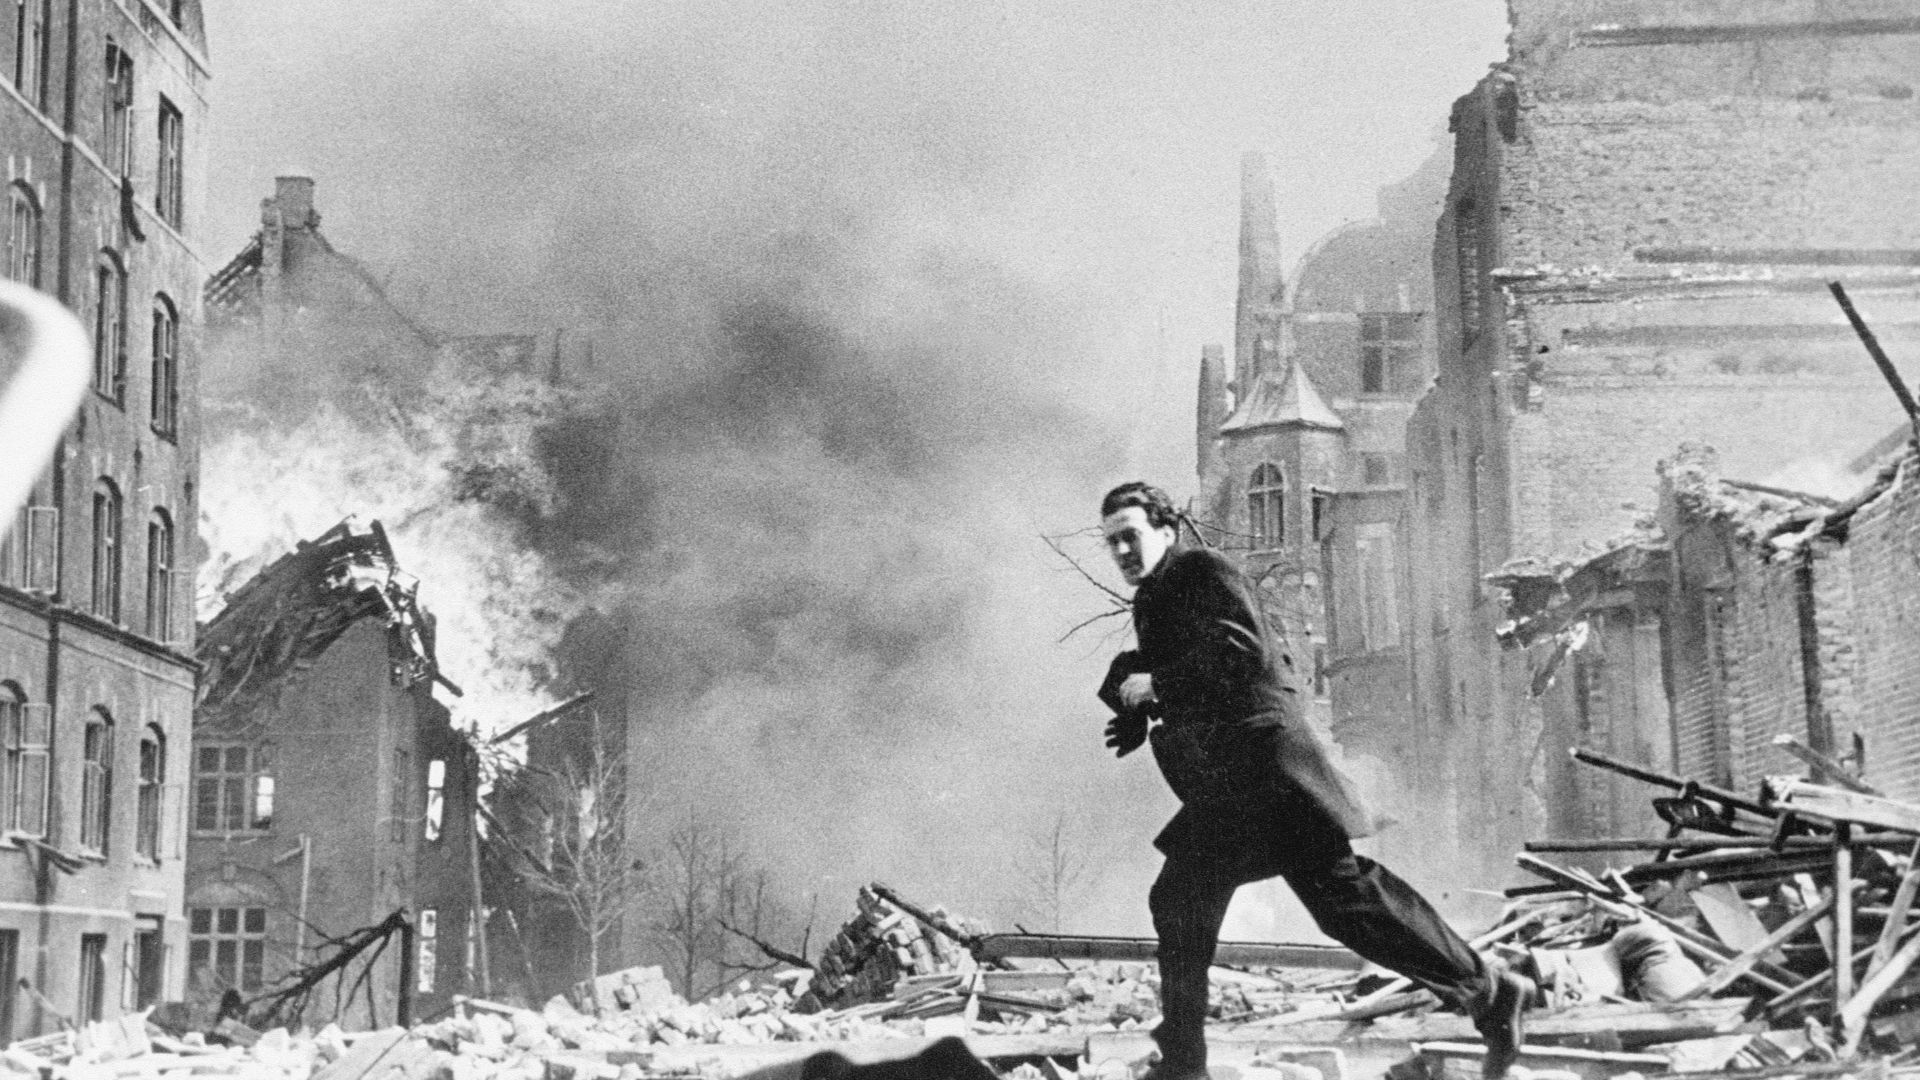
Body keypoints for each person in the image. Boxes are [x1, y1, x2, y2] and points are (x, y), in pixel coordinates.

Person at [1094, 481, 1531, 1080]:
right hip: (1236, 782)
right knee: (1212, 898)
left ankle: (1489, 989)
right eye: (1112, 542)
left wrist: (1160, 686)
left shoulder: (1201, 569)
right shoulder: (1158, 594)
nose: (1121, 551)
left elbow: (1241, 654)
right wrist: (1144, 711)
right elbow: (1197, 671)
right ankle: (1184, 1062)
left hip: (1264, 772)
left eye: (1131, 536)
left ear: (1166, 530)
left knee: (1335, 901)